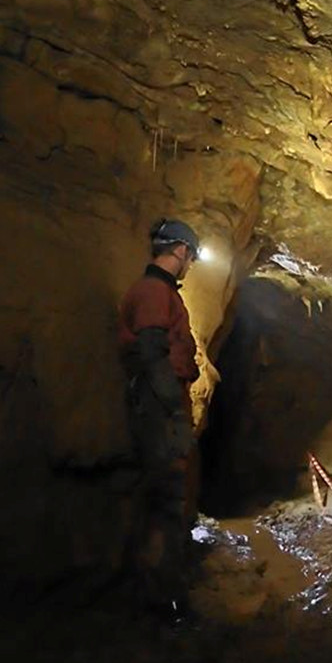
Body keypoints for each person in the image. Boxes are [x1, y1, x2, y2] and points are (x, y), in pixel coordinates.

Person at [118, 217, 201, 616]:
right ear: (182, 251)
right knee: (165, 498)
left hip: (162, 402)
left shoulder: (160, 291)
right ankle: (162, 600)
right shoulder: (153, 291)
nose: (190, 266)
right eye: (192, 258)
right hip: (159, 406)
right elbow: (152, 354)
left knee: (167, 495)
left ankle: (162, 589)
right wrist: (174, 412)